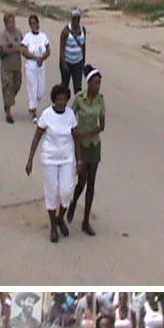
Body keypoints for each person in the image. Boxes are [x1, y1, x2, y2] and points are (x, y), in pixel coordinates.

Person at [25, 83, 82, 243]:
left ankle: (60, 217)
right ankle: (52, 226)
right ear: (54, 100)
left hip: (67, 159)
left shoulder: (70, 115)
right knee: (51, 192)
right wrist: (30, 160)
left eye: (64, 99)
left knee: (65, 191)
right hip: (50, 159)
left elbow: (76, 137)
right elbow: (37, 137)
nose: (62, 102)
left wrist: (79, 159)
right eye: (59, 99)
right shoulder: (47, 115)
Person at [67, 65, 105, 236]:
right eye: (95, 83)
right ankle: (74, 201)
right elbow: (69, 116)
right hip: (81, 146)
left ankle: (86, 220)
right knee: (81, 181)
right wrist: (74, 132)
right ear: (89, 83)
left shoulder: (100, 100)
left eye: (99, 83)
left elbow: (102, 125)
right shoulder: (79, 99)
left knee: (92, 183)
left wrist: (87, 133)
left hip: (94, 145)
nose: (98, 86)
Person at [21, 9, 50, 118]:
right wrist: (34, 57)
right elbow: (24, 51)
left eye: (35, 23)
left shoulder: (43, 36)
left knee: (40, 90)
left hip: (40, 66)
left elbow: (48, 50)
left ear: (38, 23)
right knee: (32, 88)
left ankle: (33, 105)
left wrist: (42, 58)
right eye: (31, 24)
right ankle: (33, 111)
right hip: (31, 66)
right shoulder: (27, 37)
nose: (33, 25)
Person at [0, 10, 23, 123]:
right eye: (10, 22)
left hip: (17, 66)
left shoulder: (18, 33)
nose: (12, 24)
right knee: (7, 87)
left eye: (13, 22)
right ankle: (8, 111)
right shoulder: (4, 35)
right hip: (7, 66)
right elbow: (4, 49)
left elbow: (24, 45)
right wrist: (16, 49)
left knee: (17, 85)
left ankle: (8, 101)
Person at [59, 7, 86, 93]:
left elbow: (83, 46)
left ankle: (77, 105)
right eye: (74, 18)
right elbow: (62, 49)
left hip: (78, 62)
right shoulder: (66, 31)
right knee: (65, 86)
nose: (76, 21)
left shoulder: (83, 30)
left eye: (78, 18)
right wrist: (63, 63)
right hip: (67, 62)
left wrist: (83, 60)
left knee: (78, 87)